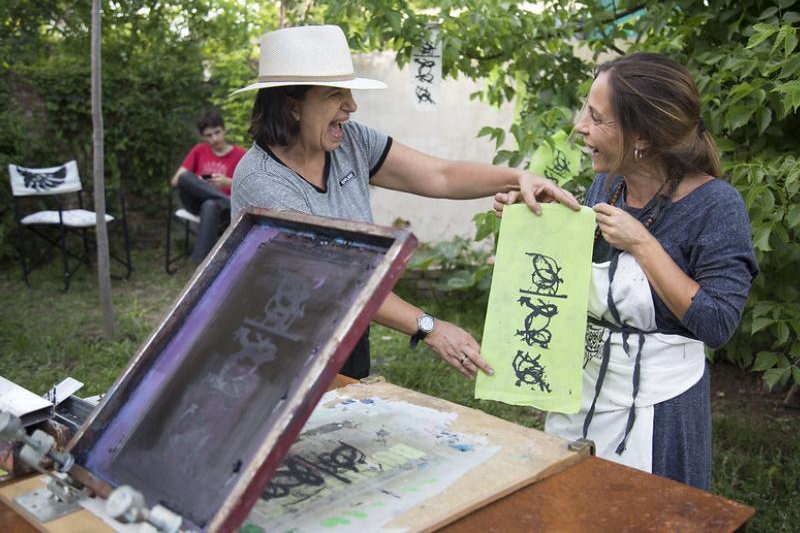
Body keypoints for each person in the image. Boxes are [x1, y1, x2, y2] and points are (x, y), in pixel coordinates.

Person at [230, 25, 581, 381]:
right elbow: (335, 279)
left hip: (345, 332)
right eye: (335, 94)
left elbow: (439, 175)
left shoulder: (351, 143)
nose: (351, 106)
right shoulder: (262, 181)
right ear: (292, 107)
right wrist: (430, 327)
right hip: (278, 349)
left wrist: (517, 178)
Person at [495, 53, 757, 489]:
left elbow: (717, 322)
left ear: (643, 138)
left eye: (597, 119)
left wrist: (642, 243)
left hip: (662, 409)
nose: (581, 127)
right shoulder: (607, 186)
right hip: (583, 389)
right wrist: (533, 223)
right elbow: (575, 278)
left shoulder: (717, 206)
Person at [171, 109, 246, 264]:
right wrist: (200, 180)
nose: (215, 138)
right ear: (203, 137)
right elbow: (176, 180)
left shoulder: (240, 154)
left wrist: (227, 182)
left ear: (224, 130)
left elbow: (249, 186)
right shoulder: (199, 150)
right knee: (185, 177)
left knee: (210, 204)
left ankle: (199, 263)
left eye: (217, 132)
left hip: (222, 209)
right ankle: (226, 200)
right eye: (209, 135)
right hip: (196, 202)